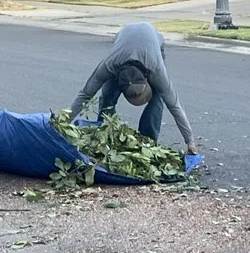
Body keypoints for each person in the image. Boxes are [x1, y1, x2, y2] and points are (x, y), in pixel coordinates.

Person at [69, 21, 197, 154]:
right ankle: (104, 136)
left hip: (152, 43)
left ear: (147, 78)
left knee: (158, 96)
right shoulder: (110, 65)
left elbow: (174, 105)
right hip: (123, 44)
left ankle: (147, 143)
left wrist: (190, 141)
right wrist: (63, 123)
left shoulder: (156, 69)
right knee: (107, 95)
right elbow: (86, 94)